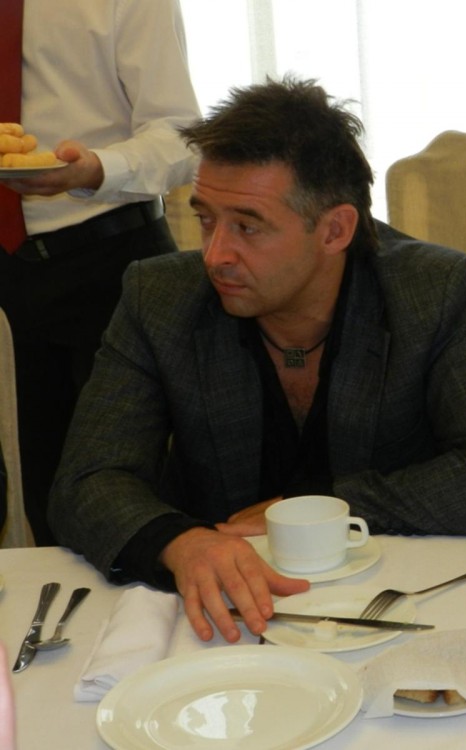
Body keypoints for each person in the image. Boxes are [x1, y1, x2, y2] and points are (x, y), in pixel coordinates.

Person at [49, 76, 466, 643]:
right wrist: (179, 543)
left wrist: (324, 507)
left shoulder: (436, 291)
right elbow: (85, 481)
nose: (216, 254)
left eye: (247, 226)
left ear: (335, 230)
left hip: (394, 604)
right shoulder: (158, 297)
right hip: (221, 621)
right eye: (206, 219)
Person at [0, 0, 201, 545]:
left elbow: (181, 135)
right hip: (6, 276)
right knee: (34, 496)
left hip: (109, 261)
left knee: (133, 492)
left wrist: (98, 169)